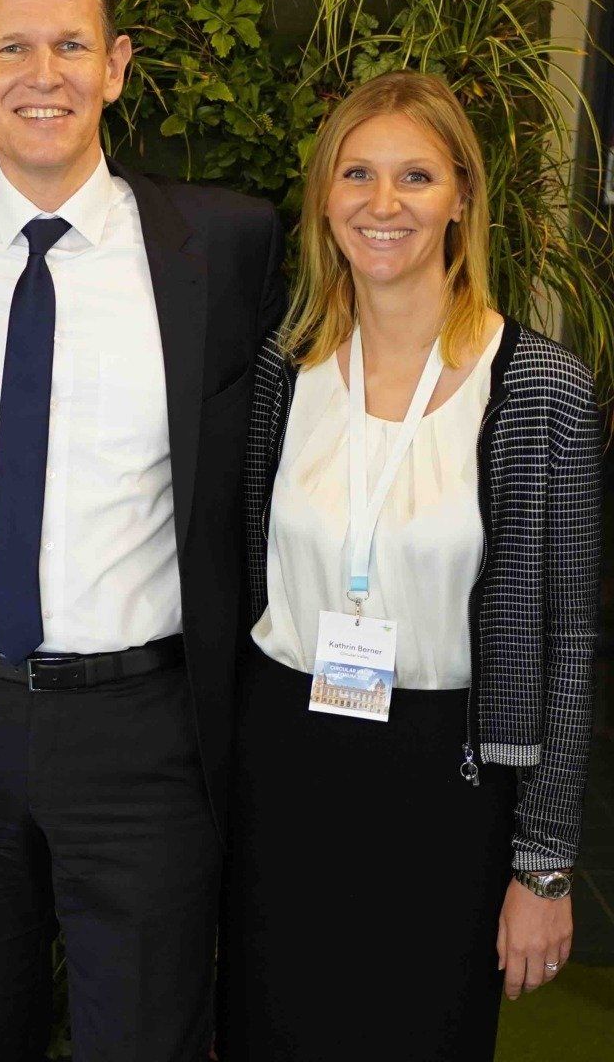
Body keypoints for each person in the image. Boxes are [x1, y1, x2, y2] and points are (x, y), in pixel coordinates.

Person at [0, 0, 286, 1062]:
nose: (41, 75)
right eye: (11, 48)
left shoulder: (224, 244)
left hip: (143, 734)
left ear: (117, 65)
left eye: (70, 45)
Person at [218, 70, 600, 1061]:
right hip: (281, 761)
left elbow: (567, 638)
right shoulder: (282, 368)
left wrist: (544, 864)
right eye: (357, 173)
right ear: (324, 196)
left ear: (461, 196)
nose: (382, 203)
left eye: (416, 176)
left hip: (446, 777)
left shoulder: (540, 390)